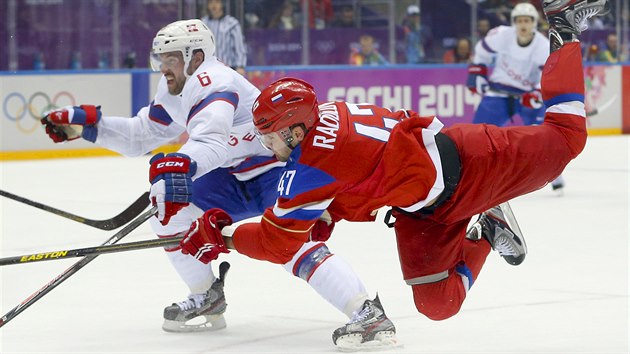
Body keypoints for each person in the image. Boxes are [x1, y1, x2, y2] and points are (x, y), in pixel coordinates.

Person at [175, 0, 608, 343]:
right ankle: (490, 228)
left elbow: (274, 242)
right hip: (419, 210)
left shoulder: (310, 164)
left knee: (568, 135)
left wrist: (221, 237)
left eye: (269, 133)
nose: (264, 143)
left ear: (297, 128)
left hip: (472, 165)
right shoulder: (325, 118)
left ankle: (564, 28)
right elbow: (363, 172)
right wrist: (329, 213)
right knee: (438, 305)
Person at [39, 19, 397, 350]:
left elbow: (210, 142)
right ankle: (206, 294)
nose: (163, 66)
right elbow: (141, 135)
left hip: (273, 169)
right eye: (160, 58)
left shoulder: (215, 82)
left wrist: (184, 164)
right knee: (167, 212)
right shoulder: (174, 88)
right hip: (231, 177)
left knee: (289, 244)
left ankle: (367, 313)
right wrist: (89, 128)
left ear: (195, 56)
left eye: (170, 58)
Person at [466, 2, 567, 191]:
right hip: (498, 92)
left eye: (527, 21)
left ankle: (554, 174)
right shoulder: (501, 35)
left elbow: (548, 74)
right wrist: (476, 73)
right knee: (476, 134)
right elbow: (481, 53)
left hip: (526, 96)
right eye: (519, 20)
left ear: (534, 23)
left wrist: (537, 92)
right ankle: (470, 173)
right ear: (513, 22)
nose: (523, 25)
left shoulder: (543, 45)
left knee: (542, 135)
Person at [201, 0, 247, 75]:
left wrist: (240, 66)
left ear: (222, 4)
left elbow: (239, 47)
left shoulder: (232, 23)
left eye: (217, 2)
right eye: (211, 2)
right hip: (208, 69)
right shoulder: (203, 23)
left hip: (228, 68)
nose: (214, 5)